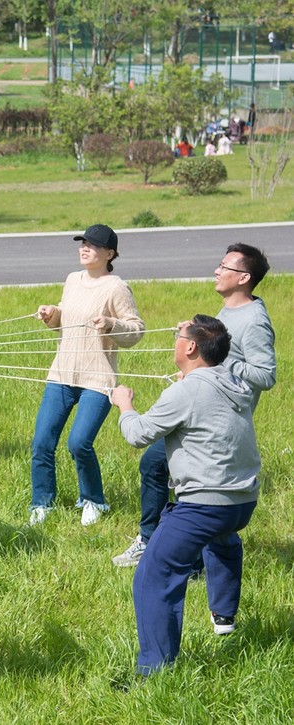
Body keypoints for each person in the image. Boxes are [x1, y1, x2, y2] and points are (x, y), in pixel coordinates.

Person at [111, 315, 259, 675]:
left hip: (205, 505)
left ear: (191, 347)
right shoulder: (231, 380)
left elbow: (139, 435)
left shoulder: (188, 390)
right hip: (242, 502)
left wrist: (124, 404)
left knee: (154, 576)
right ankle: (223, 616)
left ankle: (153, 672)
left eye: (178, 335)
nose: (175, 339)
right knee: (223, 540)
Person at [113, 244, 274, 569]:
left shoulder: (254, 321)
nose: (217, 270)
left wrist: (215, 359)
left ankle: (154, 542)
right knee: (164, 469)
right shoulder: (230, 311)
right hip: (205, 405)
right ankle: (186, 550)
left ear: (243, 277)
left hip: (219, 414)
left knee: (159, 467)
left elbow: (266, 375)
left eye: (224, 266)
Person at [30, 224, 145, 527]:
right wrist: (51, 314)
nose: (85, 248)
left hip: (98, 379)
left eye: (93, 246)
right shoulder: (72, 279)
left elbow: (136, 331)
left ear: (109, 254)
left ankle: (94, 501)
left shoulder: (116, 287)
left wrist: (110, 324)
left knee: (79, 443)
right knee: (42, 442)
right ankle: (42, 503)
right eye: (83, 243)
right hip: (62, 374)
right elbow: (66, 323)